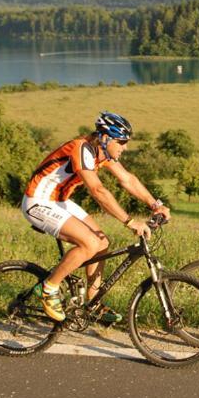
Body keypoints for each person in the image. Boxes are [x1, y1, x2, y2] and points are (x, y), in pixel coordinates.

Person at [21, 111, 170, 322]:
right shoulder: (81, 148)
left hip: (59, 201)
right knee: (89, 244)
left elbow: (128, 179)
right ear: (106, 138)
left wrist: (156, 205)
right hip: (37, 201)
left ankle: (93, 303)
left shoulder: (102, 153)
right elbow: (98, 191)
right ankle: (49, 287)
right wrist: (129, 221)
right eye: (122, 142)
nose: (125, 147)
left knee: (102, 243)